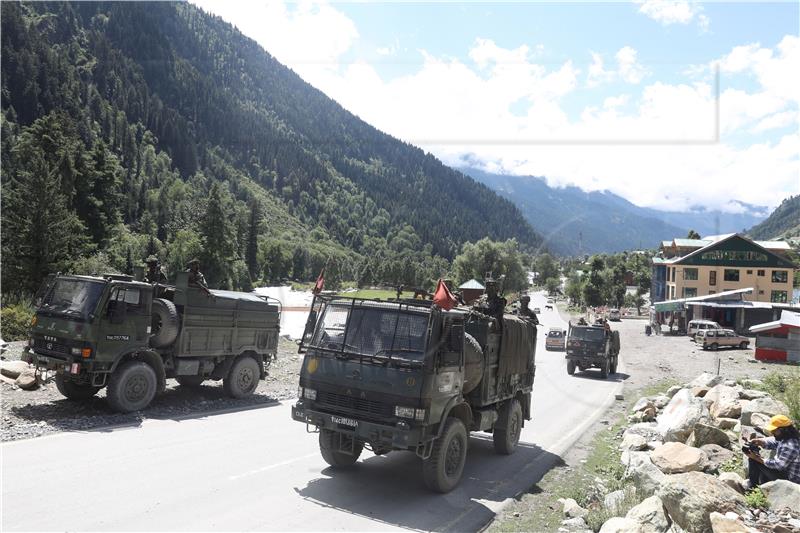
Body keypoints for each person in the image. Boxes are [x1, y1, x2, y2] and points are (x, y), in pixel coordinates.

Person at [744, 415, 800, 489]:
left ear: (783, 430)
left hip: (791, 481)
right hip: (785, 472)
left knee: (754, 460)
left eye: (774, 430)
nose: (772, 432)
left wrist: (757, 458)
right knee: (759, 461)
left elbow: (778, 465)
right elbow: (775, 442)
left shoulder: (790, 446)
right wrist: (761, 442)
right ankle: (761, 484)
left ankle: (753, 487)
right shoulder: (788, 437)